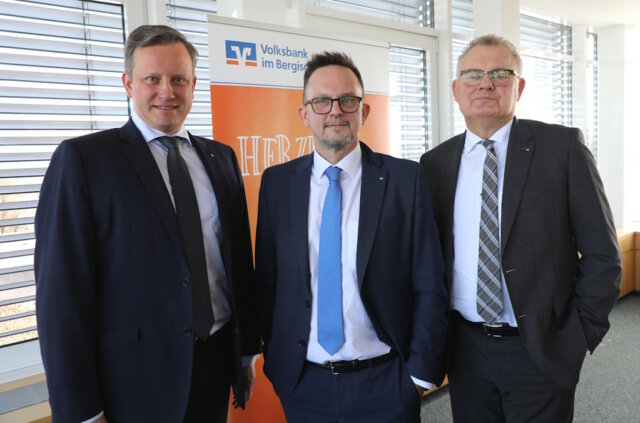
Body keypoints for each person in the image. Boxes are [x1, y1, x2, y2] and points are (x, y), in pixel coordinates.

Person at [34, 25, 259, 423]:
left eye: (178, 79)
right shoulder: (84, 161)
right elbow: (61, 298)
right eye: (152, 79)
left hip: (213, 364)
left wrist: (245, 353)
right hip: (131, 381)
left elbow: (237, 264)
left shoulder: (220, 159)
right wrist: (81, 412)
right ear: (128, 83)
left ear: (192, 83)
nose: (167, 92)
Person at [421, 34, 622, 422]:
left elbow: (603, 256)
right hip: (464, 350)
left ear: (520, 86)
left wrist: (578, 336)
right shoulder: (434, 164)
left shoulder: (561, 149)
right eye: (473, 74)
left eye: (500, 73)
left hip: (540, 348)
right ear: (456, 89)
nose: (485, 83)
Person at [255, 51, 448, 422]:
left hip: (386, 383)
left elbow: (428, 282)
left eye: (348, 100)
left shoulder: (404, 180)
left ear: (364, 111)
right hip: (302, 384)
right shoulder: (277, 184)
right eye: (321, 101)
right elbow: (267, 281)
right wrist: (279, 367)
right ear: (305, 113)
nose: (335, 111)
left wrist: (418, 376)